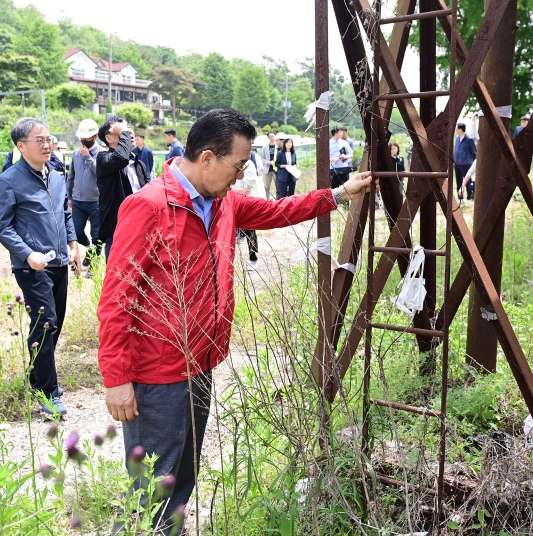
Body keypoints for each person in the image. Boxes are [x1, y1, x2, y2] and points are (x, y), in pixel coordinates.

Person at [97, 109, 372, 533]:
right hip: (157, 373)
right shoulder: (149, 206)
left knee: (182, 479)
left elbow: (279, 211)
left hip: (202, 363)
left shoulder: (223, 202)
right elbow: (117, 299)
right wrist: (116, 377)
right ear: (207, 158)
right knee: (150, 488)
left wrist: (337, 194)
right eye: (239, 165)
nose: (242, 174)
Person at [0, 118, 79, 417]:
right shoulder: (9, 181)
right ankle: (47, 391)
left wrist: (73, 243)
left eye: (48, 138)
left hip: (59, 261)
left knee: (56, 322)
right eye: (39, 140)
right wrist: (28, 254)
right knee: (46, 324)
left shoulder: (55, 175)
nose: (47, 144)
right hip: (32, 265)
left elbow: (65, 213)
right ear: (21, 146)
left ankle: (36, 376)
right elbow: (2, 228)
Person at [97, 117, 149, 259]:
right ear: (109, 138)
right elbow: (120, 158)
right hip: (118, 231)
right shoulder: (103, 158)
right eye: (122, 130)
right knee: (119, 277)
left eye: (129, 127)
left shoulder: (139, 164)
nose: (129, 131)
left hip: (142, 230)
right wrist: (125, 134)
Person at [67, 119, 103, 268]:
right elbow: (71, 176)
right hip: (78, 201)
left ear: (95, 137)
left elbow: (100, 173)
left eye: (87, 138)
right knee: (75, 231)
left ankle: (93, 266)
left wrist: (87, 156)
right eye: (82, 138)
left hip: (96, 201)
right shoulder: (76, 154)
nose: (83, 140)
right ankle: (89, 248)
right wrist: (69, 196)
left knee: (97, 235)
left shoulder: (102, 153)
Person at [231, 150, 266, 270]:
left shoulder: (249, 165)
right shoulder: (228, 162)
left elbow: (245, 190)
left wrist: (228, 190)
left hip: (246, 203)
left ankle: (253, 257)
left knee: (249, 230)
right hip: (231, 202)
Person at [454, 122, 477, 201]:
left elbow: (474, 152)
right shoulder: (457, 138)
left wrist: (474, 162)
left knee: (467, 180)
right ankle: (460, 198)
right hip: (457, 163)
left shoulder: (469, 139)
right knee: (458, 180)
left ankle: (469, 197)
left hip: (466, 163)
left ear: (461, 129)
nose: (456, 130)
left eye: (457, 128)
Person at [260, 131, 278, 198]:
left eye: (273, 136)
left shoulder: (278, 147)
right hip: (267, 169)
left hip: (276, 169)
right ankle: (267, 200)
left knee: (277, 185)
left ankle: (278, 199)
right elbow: (262, 158)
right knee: (267, 186)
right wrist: (267, 162)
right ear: (268, 138)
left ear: (275, 137)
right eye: (270, 136)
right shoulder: (265, 147)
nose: (271, 137)